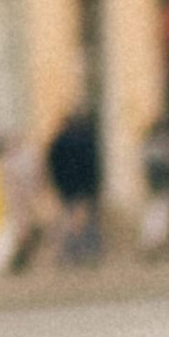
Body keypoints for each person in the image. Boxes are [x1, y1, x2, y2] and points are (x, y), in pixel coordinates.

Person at [45, 103, 102, 263]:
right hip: (83, 185)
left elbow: (52, 164)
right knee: (86, 219)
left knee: (68, 218)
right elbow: (91, 164)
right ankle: (87, 251)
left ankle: (68, 252)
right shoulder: (85, 140)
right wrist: (93, 185)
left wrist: (56, 183)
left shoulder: (57, 141)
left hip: (66, 186)